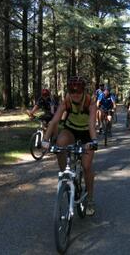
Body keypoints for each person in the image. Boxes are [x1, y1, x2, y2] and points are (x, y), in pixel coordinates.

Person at [42, 76, 98, 216]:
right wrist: (45, 140)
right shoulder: (67, 100)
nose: (75, 94)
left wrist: (94, 142)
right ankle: (65, 176)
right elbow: (54, 121)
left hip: (86, 133)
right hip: (71, 130)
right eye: (72, 91)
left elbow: (91, 125)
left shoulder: (90, 103)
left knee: (86, 166)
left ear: (83, 91)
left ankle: (90, 199)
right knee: (60, 144)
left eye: (78, 91)